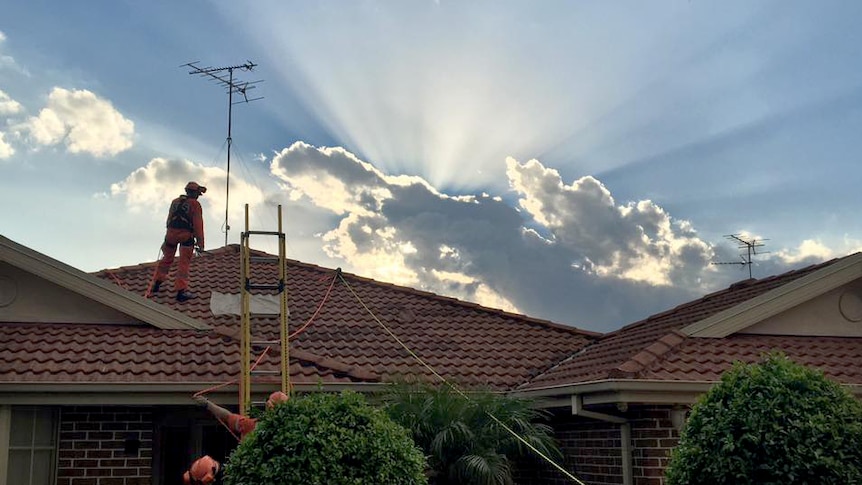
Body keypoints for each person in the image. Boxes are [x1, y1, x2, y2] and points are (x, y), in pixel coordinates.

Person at [151, 181, 206, 302]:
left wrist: (170, 234)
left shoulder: (175, 202)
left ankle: (156, 285)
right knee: (184, 263)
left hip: (170, 235)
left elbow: (169, 220)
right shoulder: (195, 204)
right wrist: (200, 243)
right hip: (185, 236)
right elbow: (198, 225)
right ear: (195, 193)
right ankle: (181, 292)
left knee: (166, 260)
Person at [195, 391, 289, 440]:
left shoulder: (255, 426)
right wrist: (208, 404)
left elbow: (228, 416)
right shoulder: (295, 430)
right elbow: (228, 416)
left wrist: (208, 404)